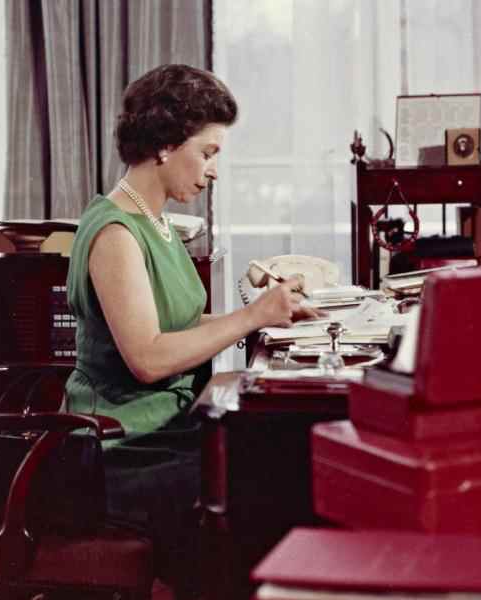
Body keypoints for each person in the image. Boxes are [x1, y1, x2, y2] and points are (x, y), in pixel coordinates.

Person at [64, 64, 320, 599]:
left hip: (166, 431)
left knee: (288, 454)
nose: (213, 170)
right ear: (163, 145)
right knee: (268, 486)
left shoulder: (155, 222)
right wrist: (250, 318)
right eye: (207, 153)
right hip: (119, 449)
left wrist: (272, 313)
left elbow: (176, 325)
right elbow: (149, 358)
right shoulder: (116, 231)